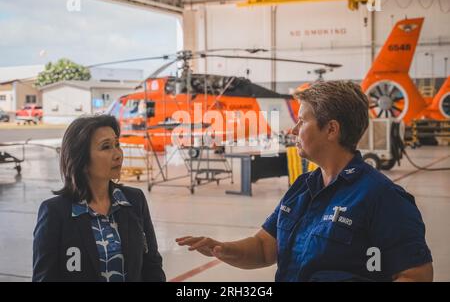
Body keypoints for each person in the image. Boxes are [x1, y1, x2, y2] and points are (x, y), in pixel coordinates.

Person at [176, 81, 433, 282]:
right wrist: (222, 249)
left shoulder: (382, 197)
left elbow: (415, 275)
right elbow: (266, 247)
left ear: (331, 130)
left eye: (302, 121)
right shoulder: (303, 187)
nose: (293, 130)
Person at [33, 115, 165, 282]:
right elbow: (44, 278)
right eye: (106, 147)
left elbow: (152, 265)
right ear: (81, 158)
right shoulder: (55, 212)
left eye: (117, 144)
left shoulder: (134, 200)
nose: (118, 154)